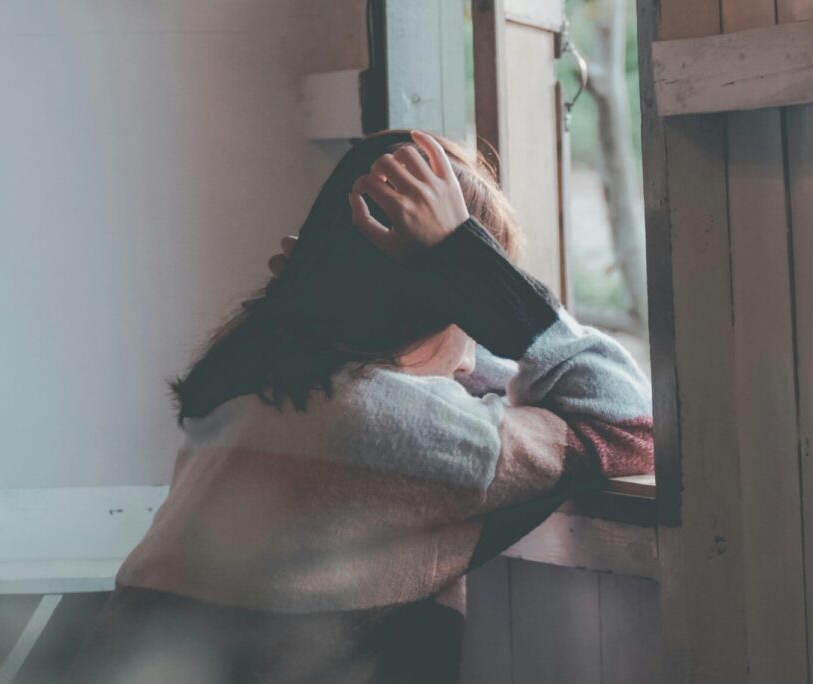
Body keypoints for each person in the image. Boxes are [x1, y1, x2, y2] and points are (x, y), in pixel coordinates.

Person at [66, 128, 654, 683]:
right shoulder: (401, 429)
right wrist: (477, 273)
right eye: (469, 316)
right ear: (447, 305)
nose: (474, 352)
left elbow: (456, 374)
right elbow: (630, 423)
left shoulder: (253, 384)